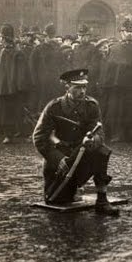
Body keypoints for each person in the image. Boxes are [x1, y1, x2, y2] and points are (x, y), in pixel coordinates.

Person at [32, 69, 119, 216]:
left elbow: (99, 132)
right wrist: (57, 158)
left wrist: (93, 141)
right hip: (62, 158)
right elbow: (39, 137)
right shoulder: (54, 107)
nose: (82, 91)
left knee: (101, 151)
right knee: (57, 200)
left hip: (82, 151)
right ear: (67, 87)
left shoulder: (91, 105)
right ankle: (69, 190)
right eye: (77, 87)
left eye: (84, 87)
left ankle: (102, 200)